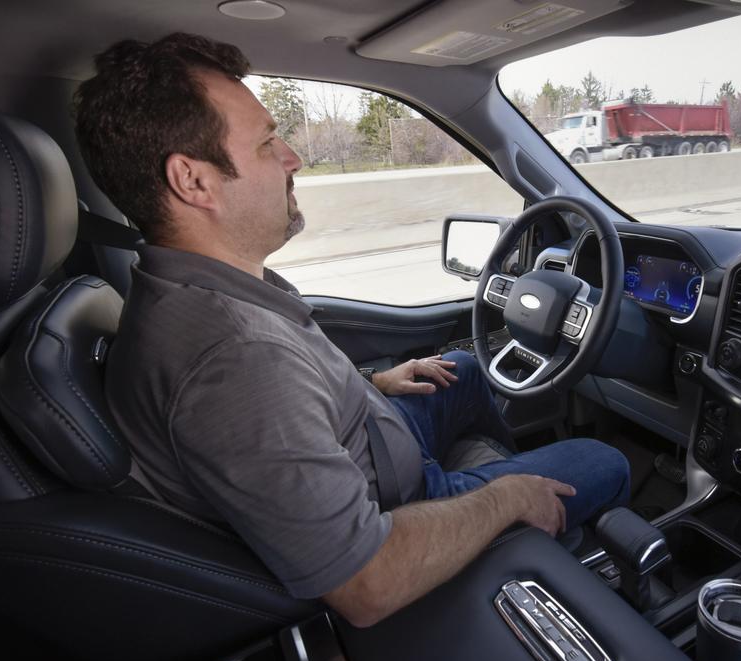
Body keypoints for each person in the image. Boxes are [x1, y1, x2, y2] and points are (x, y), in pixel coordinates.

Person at [73, 33, 630, 627]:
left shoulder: (197, 289)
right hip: (395, 512)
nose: (293, 158)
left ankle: (514, 515)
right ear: (194, 181)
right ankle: (531, 550)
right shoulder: (234, 359)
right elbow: (366, 580)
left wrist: (369, 387)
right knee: (606, 461)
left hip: (369, 452)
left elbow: (284, 403)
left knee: (463, 371)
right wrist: (503, 500)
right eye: (266, 143)